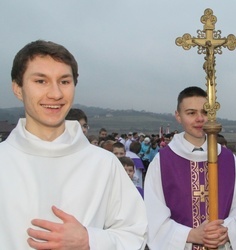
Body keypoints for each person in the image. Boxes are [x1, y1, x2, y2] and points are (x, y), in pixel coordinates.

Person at [0, 40, 147, 249]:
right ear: (17, 88)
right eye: (41, 81)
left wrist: (90, 240)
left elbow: (136, 234)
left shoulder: (104, 164)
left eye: (65, 81)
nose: (56, 94)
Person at [144, 86, 236, 249]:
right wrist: (192, 235)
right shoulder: (163, 161)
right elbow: (154, 213)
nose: (200, 119)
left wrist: (226, 230)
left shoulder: (227, 158)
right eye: (191, 113)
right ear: (178, 116)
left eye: (204, 112)